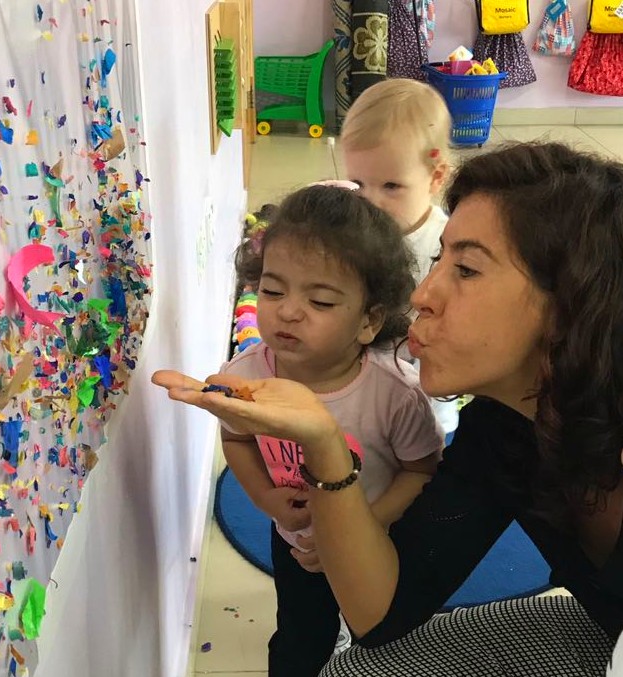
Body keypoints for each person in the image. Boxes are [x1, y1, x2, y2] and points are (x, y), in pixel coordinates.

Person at [153, 142, 623, 676]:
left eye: (465, 269)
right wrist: (325, 443)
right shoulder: (504, 431)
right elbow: (382, 614)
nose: (422, 295)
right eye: (438, 261)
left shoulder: (403, 401)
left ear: (574, 303)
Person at [220, 184, 443, 677]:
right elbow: (236, 438)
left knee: (385, 638)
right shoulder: (246, 376)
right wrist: (265, 499)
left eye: (320, 301)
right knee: (300, 633)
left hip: (381, 535)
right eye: (273, 290)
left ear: (369, 321)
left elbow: (422, 470)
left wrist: (369, 521)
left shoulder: (394, 393)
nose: (289, 310)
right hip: (296, 535)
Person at [340, 78, 459, 436]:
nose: (371, 201)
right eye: (358, 184)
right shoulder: (355, 228)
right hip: (367, 389)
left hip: (427, 394)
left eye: (391, 186)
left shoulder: (448, 243)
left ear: (436, 177)